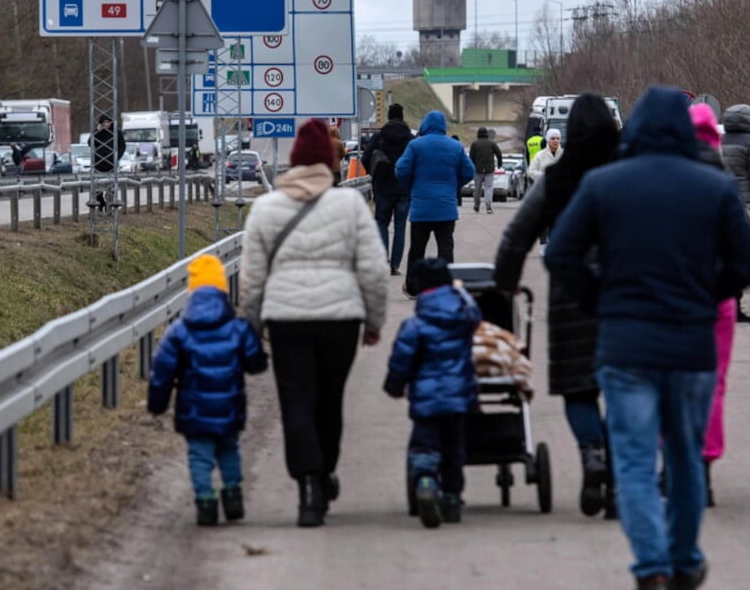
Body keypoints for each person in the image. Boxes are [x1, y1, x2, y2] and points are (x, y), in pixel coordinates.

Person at [545, 86, 750, 590]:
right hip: (691, 344)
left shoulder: (604, 184)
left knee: (635, 458)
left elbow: (560, 255)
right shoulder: (713, 186)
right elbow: (748, 262)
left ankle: (651, 567)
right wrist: (709, 295)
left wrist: (598, 298)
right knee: (683, 454)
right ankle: (684, 558)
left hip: (625, 343)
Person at [239, 119, 388, 528]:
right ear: (329, 164)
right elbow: (373, 269)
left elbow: (252, 276)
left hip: (287, 321)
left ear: (293, 163)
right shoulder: (350, 206)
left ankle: (307, 483)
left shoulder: (267, 209)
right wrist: (374, 319)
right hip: (341, 321)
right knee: (329, 400)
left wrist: (250, 326)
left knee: (296, 400)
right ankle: (324, 473)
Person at [495, 93, 621, 519]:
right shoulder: (630, 171)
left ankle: (592, 455)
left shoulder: (559, 177)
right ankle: (620, 480)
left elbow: (517, 236)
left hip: (572, 298)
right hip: (628, 297)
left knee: (579, 388)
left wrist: (504, 288)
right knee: (625, 392)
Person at [147, 255, 269, 526]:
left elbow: (162, 372)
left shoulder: (179, 332)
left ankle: (205, 501)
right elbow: (255, 362)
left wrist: (158, 403)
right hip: (229, 408)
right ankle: (233, 494)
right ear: (223, 289)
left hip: (194, 411)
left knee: (199, 456)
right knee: (229, 451)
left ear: (191, 292)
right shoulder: (237, 328)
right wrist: (258, 361)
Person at [383, 258, 481, 528]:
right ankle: (451, 498)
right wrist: (460, 292)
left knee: (425, 444)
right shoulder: (464, 318)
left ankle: (425, 481)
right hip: (459, 398)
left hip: (426, 402)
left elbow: (400, 361)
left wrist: (394, 385)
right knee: (454, 451)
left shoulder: (414, 327)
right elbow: (476, 315)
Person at [687, 103, 738, 507]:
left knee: (670, 380)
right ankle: (704, 465)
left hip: (671, 299)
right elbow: (747, 256)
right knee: (713, 384)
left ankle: (674, 464)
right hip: (716, 299)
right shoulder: (725, 185)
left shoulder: (667, 181)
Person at [394, 110, 474, 295]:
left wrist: (411, 186)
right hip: (446, 207)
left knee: (417, 249)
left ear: (425, 125)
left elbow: (401, 169)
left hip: (421, 207)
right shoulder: (455, 146)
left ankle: (413, 287)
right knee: (446, 249)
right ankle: (445, 286)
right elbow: (469, 171)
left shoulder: (415, 146)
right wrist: (453, 185)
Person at [720, 103, 750, 323]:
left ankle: (723, 302)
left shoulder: (719, 141)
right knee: (740, 254)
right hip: (746, 204)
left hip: (721, 201)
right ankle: (736, 305)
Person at [362, 103, 414, 276]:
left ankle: (383, 261)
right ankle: (395, 266)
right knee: (400, 227)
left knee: (382, 224)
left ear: (389, 116)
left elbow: (365, 158)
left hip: (383, 187)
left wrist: (374, 173)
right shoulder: (410, 138)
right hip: (403, 189)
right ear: (402, 116)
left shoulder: (379, 136)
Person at [90, 114, 125, 212]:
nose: (106, 124)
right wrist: (98, 131)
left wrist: (116, 157)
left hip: (111, 165)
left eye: (108, 122)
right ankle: (101, 203)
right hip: (98, 165)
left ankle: (109, 207)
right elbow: (90, 143)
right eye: (104, 122)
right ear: (101, 123)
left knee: (111, 188)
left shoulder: (117, 132)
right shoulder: (97, 132)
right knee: (97, 189)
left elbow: (122, 146)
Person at [468, 126, 503, 214]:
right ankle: (488, 207)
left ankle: (476, 205)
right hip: (489, 169)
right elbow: (499, 153)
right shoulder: (491, 143)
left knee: (477, 189)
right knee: (488, 188)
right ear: (487, 134)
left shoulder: (474, 144)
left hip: (477, 170)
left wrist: (471, 167)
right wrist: (499, 163)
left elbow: (471, 157)